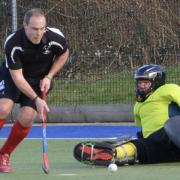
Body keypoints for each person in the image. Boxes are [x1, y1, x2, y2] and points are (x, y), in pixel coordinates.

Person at [0, 8, 69, 173]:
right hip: (13, 76)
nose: (38, 33)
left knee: (28, 116)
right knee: (3, 108)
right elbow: (17, 78)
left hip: (38, 79)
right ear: (24, 25)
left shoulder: (55, 38)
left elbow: (64, 54)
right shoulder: (13, 43)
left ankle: (4, 155)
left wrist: (49, 76)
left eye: (41, 28)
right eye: (34, 29)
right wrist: (37, 99)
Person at [73, 64, 180, 166]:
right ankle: (113, 153)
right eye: (139, 83)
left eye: (145, 83)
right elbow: (144, 129)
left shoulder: (168, 89)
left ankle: (113, 151)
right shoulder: (138, 105)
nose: (141, 86)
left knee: (159, 136)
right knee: (142, 148)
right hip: (161, 147)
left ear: (156, 82)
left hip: (171, 137)